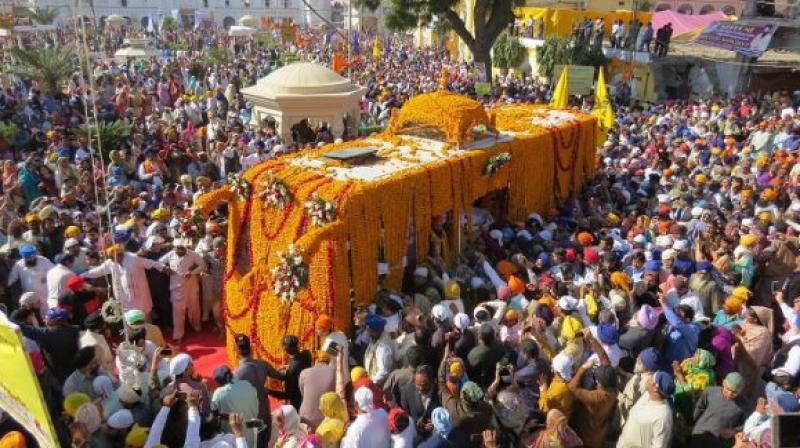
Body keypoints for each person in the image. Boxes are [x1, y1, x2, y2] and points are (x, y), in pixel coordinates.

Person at [81, 244, 168, 319]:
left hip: (140, 296)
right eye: (110, 258)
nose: (111, 260)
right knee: (129, 320)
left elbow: (151, 263)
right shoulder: (110, 263)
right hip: (124, 297)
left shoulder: (133, 258)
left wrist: (164, 268)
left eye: (112, 258)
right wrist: (81, 276)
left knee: (144, 318)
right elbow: (97, 271)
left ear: (120, 255)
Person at [159, 238, 206, 343]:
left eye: (182, 248)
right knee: (178, 312)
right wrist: (166, 269)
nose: (180, 250)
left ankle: (196, 325)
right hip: (176, 289)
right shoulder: (170, 254)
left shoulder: (193, 254)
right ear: (174, 248)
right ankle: (178, 335)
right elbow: (159, 263)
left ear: (185, 247)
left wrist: (192, 272)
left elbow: (203, 266)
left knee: (195, 309)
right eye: (178, 248)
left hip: (191, 287)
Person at [617, 371, 675, 448]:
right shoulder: (647, 395)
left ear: (655, 388)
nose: (648, 379)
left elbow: (659, 445)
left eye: (651, 379)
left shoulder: (663, 417)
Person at [689, 372, 747, 447]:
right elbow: (699, 408)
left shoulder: (744, 405)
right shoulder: (710, 392)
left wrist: (733, 431)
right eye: (728, 389)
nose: (729, 394)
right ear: (723, 383)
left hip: (720, 442)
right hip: (700, 434)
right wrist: (693, 423)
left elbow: (744, 425)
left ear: (740, 391)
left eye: (734, 392)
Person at [211, 365, 260, 447]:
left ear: (219, 382)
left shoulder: (218, 393)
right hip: (252, 428)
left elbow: (213, 414)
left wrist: (226, 416)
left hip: (234, 435)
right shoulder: (246, 383)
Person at [8, 244, 53, 309]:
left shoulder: (44, 261)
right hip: (30, 299)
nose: (31, 259)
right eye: (28, 258)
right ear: (23, 257)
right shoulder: (19, 265)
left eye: (32, 257)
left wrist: (47, 277)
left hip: (45, 296)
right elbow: (12, 278)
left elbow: (53, 272)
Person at [298, 351, 336, 429]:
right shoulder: (334, 372)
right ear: (328, 361)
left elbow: (303, 393)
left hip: (306, 417)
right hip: (326, 418)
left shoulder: (304, 372)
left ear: (315, 360)